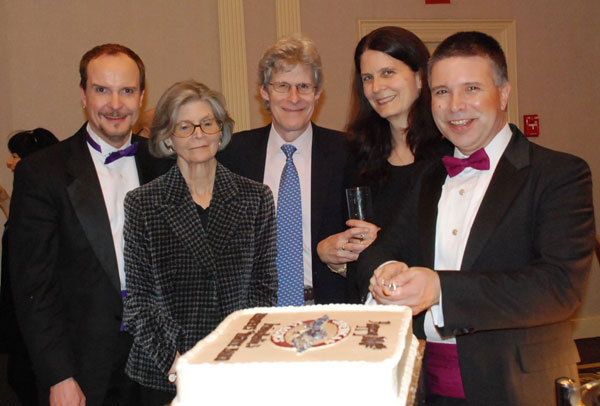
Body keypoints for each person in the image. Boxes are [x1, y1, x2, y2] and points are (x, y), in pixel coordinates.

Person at [358, 31, 595, 405]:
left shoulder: (559, 173)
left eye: (471, 89)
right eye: (441, 92)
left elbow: (558, 288)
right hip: (424, 385)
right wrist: (387, 268)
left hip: (517, 387)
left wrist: (441, 290)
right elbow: (383, 247)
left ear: (503, 93)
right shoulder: (428, 176)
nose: (455, 106)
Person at [7, 43, 172, 406]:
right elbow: (33, 286)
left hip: (160, 368)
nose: (115, 104)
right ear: (83, 95)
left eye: (127, 91)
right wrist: (58, 375)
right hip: (84, 373)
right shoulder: (43, 173)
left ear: (142, 97)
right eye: (102, 90)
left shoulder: (164, 164)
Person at [123, 80, 277, 405]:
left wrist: (231, 355)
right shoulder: (143, 203)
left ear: (220, 131)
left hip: (236, 368)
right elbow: (139, 301)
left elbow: (264, 288)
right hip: (165, 371)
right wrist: (177, 363)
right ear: (167, 137)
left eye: (207, 123)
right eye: (185, 126)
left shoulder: (255, 198)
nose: (198, 134)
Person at [316, 26, 444, 302]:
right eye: (368, 78)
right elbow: (346, 245)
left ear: (420, 77)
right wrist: (332, 255)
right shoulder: (355, 157)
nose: (377, 88)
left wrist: (382, 244)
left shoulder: (450, 155)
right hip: (375, 316)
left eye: (388, 73)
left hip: (435, 317)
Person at [218, 34, 348, 305]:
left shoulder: (348, 152)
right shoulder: (233, 154)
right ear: (264, 92)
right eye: (282, 86)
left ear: (318, 93)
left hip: (329, 310)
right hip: (254, 311)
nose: (293, 98)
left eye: (303, 86)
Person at [0, 127, 59, 405]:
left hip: (31, 314)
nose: (9, 163)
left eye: (14, 157)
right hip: (22, 310)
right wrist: (5, 203)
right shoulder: (32, 199)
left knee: (24, 378)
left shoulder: (45, 199)